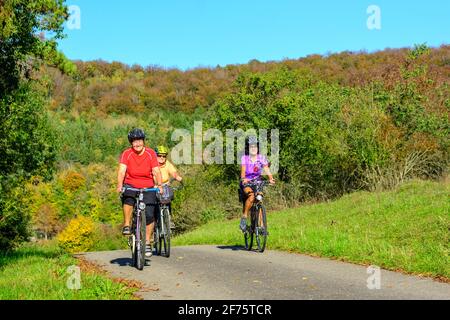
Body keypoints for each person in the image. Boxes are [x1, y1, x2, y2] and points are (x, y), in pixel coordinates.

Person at [117, 128, 163, 258]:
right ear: (131, 143)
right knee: (128, 199)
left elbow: (156, 171)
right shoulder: (127, 154)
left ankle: (147, 242)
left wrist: (159, 185)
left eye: (139, 141)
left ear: (143, 141)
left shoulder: (150, 154)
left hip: (148, 187)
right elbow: (121, 171)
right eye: (134, 142)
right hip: (131, 184)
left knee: (149, 215)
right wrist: (120, 185)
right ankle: (127, 224)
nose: (137, 144)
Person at [239, 136, 275, 232]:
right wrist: (244, 179)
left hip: (257, 182)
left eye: (255, 146)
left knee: (259, 199)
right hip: (246, 182)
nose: (253, 148)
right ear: (248, 148)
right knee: (251, 196)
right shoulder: (245, 158)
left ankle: (262, 227)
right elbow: (243, 172)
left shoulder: (261, 158)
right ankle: (244, 217)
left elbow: (266, 169)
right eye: (251, 146)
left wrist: (271, 178)